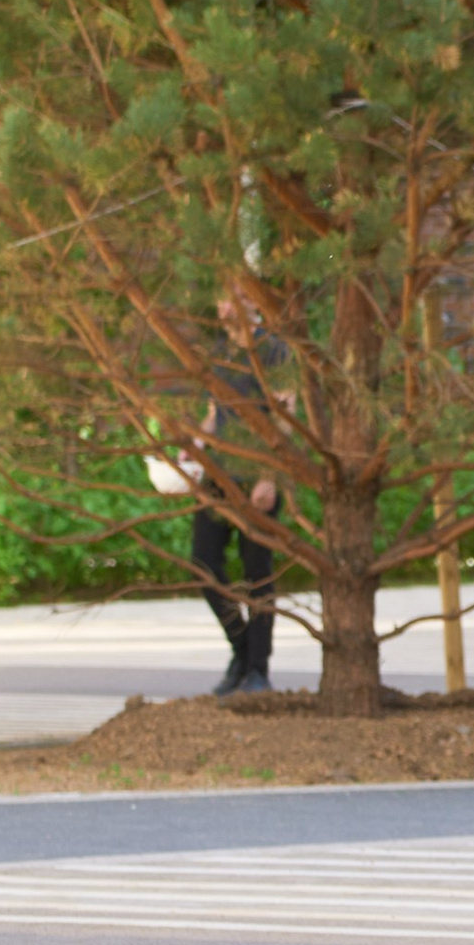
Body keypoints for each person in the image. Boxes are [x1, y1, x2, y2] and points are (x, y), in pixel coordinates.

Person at [193, 279, 285, 700]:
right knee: (203, 563)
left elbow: (285, 416)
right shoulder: (221, 353)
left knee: (256, 573)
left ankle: (257, 670)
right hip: (219, 475)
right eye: (224, 297)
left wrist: (269, 476)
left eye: (238, 297)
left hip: (258, 474)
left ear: (253, 302)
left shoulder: (273, 350)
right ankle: (240, 649)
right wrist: (191, 449)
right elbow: (216, 413)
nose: (228, 306)